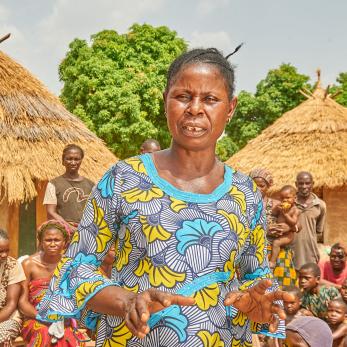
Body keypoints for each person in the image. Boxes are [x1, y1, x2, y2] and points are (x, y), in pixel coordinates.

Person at [37, 48, 294, 346]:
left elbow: (255, 274)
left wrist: (258, 306)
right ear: (166, 100)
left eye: (210, 99)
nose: (195, 109)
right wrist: (127, 301)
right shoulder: (124, 178)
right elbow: (77, 268)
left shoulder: (244, 191)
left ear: (231, 108)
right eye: (183, 96)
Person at [19, 220, 87, 346]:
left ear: (65, 243)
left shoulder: (69, 265)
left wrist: (63, 316)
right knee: (43, 333)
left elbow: (76, 297)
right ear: (41, 242)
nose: (52, 244)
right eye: (48, 240)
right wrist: (42, 317)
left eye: (57, 240)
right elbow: (22, 302)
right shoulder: (29, 264)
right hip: (34, 318)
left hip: (63, 318)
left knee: (70, 336)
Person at [250, 168, 298, 288]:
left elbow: (298, 225)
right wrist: (265, 230)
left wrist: (288, 228)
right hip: (254, 252)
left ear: (268, 186)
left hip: (277, 252)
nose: (257, 189)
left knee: (284, 287)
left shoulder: (277, 204)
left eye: (262, 185)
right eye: (253, 185)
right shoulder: (244, 206)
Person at [43, 144, 94, 225]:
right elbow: (50, 212)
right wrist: (69, 227)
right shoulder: (53, 184)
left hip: (86, 232)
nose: (73, 162)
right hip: (63, 232)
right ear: (63, 161)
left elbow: (95, 211)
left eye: (76, 159)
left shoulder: (91, 185)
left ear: (81, 161)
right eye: (69, 159)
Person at [292, 171, 327, 270]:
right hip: (291, 253)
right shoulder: (289, 203)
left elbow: (318, 231)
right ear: (296, 184)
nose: (304, 186)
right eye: (301, 183)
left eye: (307, 183)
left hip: (310, 254)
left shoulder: (320, 205)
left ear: (313, 184)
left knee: (308, 282)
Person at [0, 229, 26, 346]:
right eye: (0, 251)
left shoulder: (13, 265)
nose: (4, 255)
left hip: (7, 316)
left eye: (7, 251)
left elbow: (11, 303)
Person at [269, 185, 300, 269]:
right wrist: (277, 208)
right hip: (279, 233)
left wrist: (286, 214)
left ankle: (272, 261)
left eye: (288, 198)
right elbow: (272, 214)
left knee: (276, 243)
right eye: (282, 198)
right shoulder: (280, 207)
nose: (284, 200)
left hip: (288, 235)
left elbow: (294, 222)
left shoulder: (295, 210)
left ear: (295, 198)